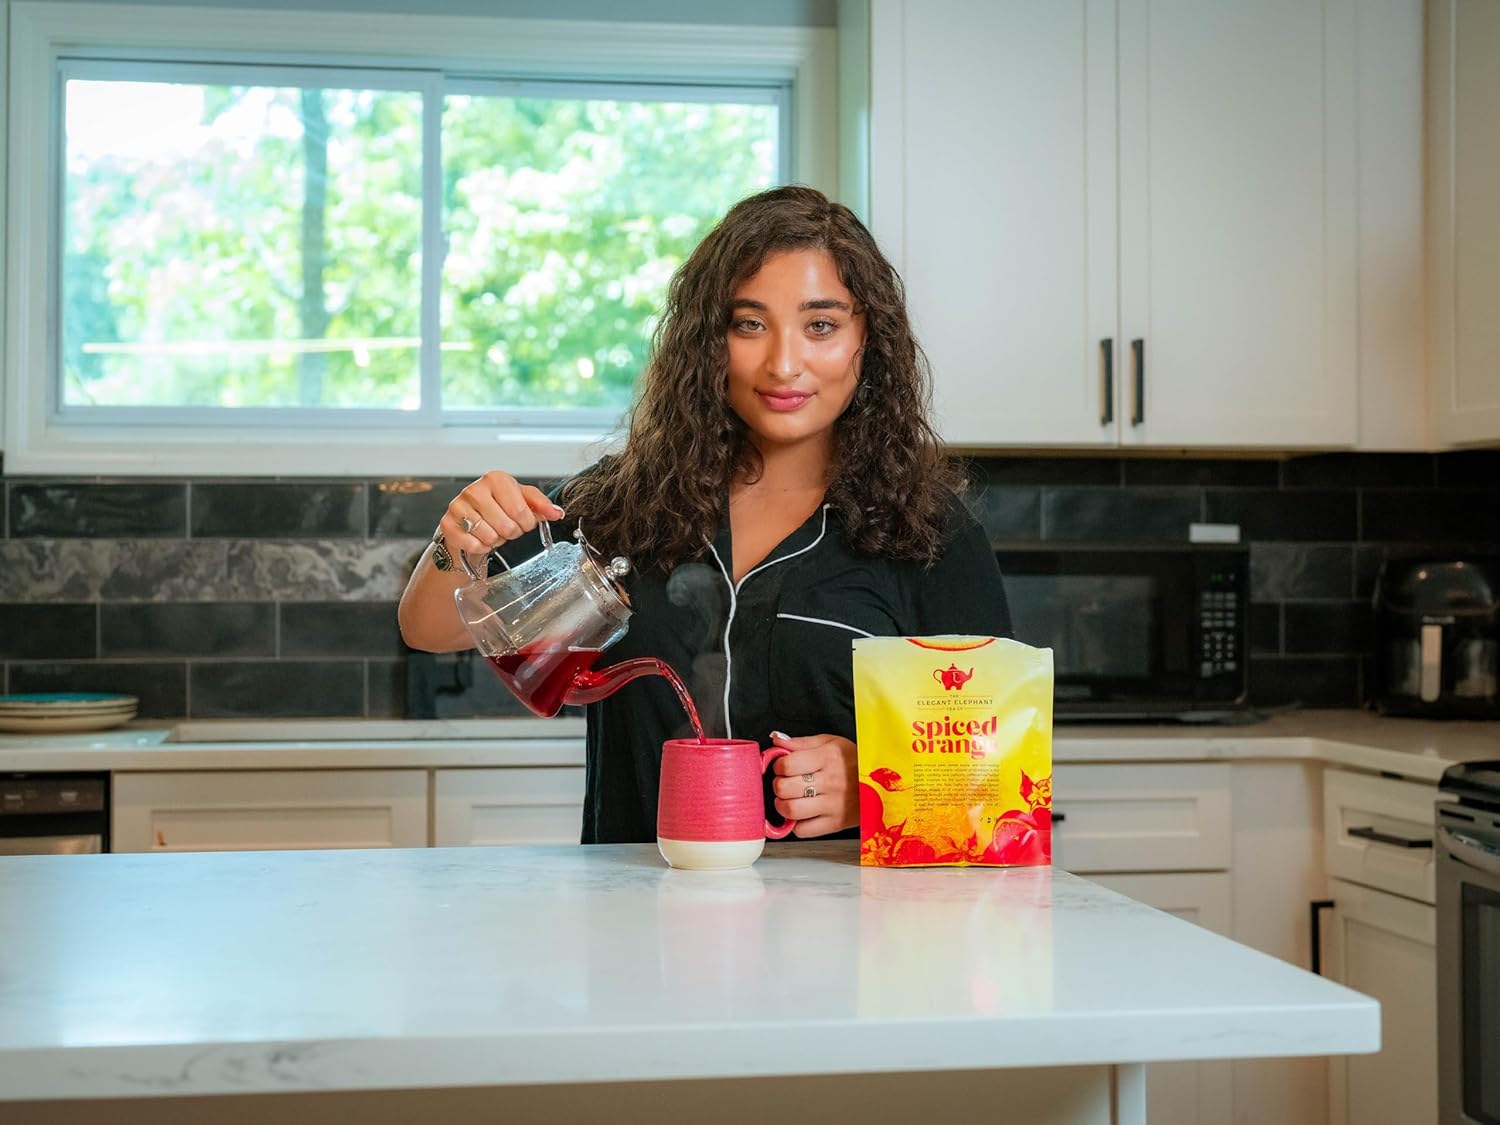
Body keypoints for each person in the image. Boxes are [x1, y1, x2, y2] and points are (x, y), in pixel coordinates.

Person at [398, 184, 1011, 844]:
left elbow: (1000, 774)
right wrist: (459, 541)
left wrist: (878, 784)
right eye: (749, 324)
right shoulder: (622, 504)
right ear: (709, 340)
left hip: (844, 909)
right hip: (635, 906)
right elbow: (430, 628)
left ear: (869, 339)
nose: (784, 363)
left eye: (821, 326)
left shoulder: (930, 532)